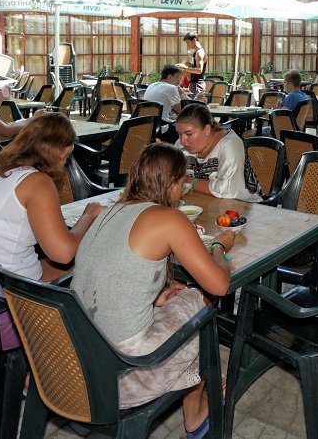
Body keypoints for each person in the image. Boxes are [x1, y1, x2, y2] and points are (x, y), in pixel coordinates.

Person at [72, 144, 235, 439]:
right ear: (172, 184)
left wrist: (154, 292)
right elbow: (220, 285)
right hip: (125, 372)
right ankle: (194, 413)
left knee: (177, 295)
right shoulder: (169, 218)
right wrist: (219, 247)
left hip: (77, 357)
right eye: (182, 182)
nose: (182, 190)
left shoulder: (110, 210)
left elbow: (113, 270)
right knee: (201, 298)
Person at [0, 113, 104, 295]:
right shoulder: (37, 181)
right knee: (92, 260)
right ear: (60, 151)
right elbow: (64, 254)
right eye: (67, 155)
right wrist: (89, 214)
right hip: (1, 292)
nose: (65, 163)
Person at [177, 103, 262, 201]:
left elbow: (229, 190)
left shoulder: (230, 144)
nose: (183, 141)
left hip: (242, 205)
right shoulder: (182, 144)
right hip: (201, 201)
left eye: (189, 134)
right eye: (179, 134)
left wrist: (190, 181)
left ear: (207, 129)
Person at [143, 65, 189, 143]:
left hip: (148, 126)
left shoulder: (151, 85)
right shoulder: (171, 88)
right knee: (188, 128)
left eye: (180, 78)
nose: (179, 81)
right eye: (177, 77)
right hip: (161, 129)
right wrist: (182, 94)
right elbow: (182, 111)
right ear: (169, 76)